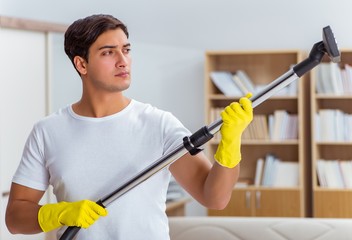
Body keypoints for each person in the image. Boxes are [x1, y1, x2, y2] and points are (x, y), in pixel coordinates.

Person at [5, 14, 253, 240]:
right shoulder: (48, 131)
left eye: (126, 49)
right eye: (108, 53)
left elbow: (215, 198)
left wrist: (231, 142)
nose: (123, 61)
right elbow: (15, 218)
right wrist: (59, 213)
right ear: (82, 65)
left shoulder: (159, 124)